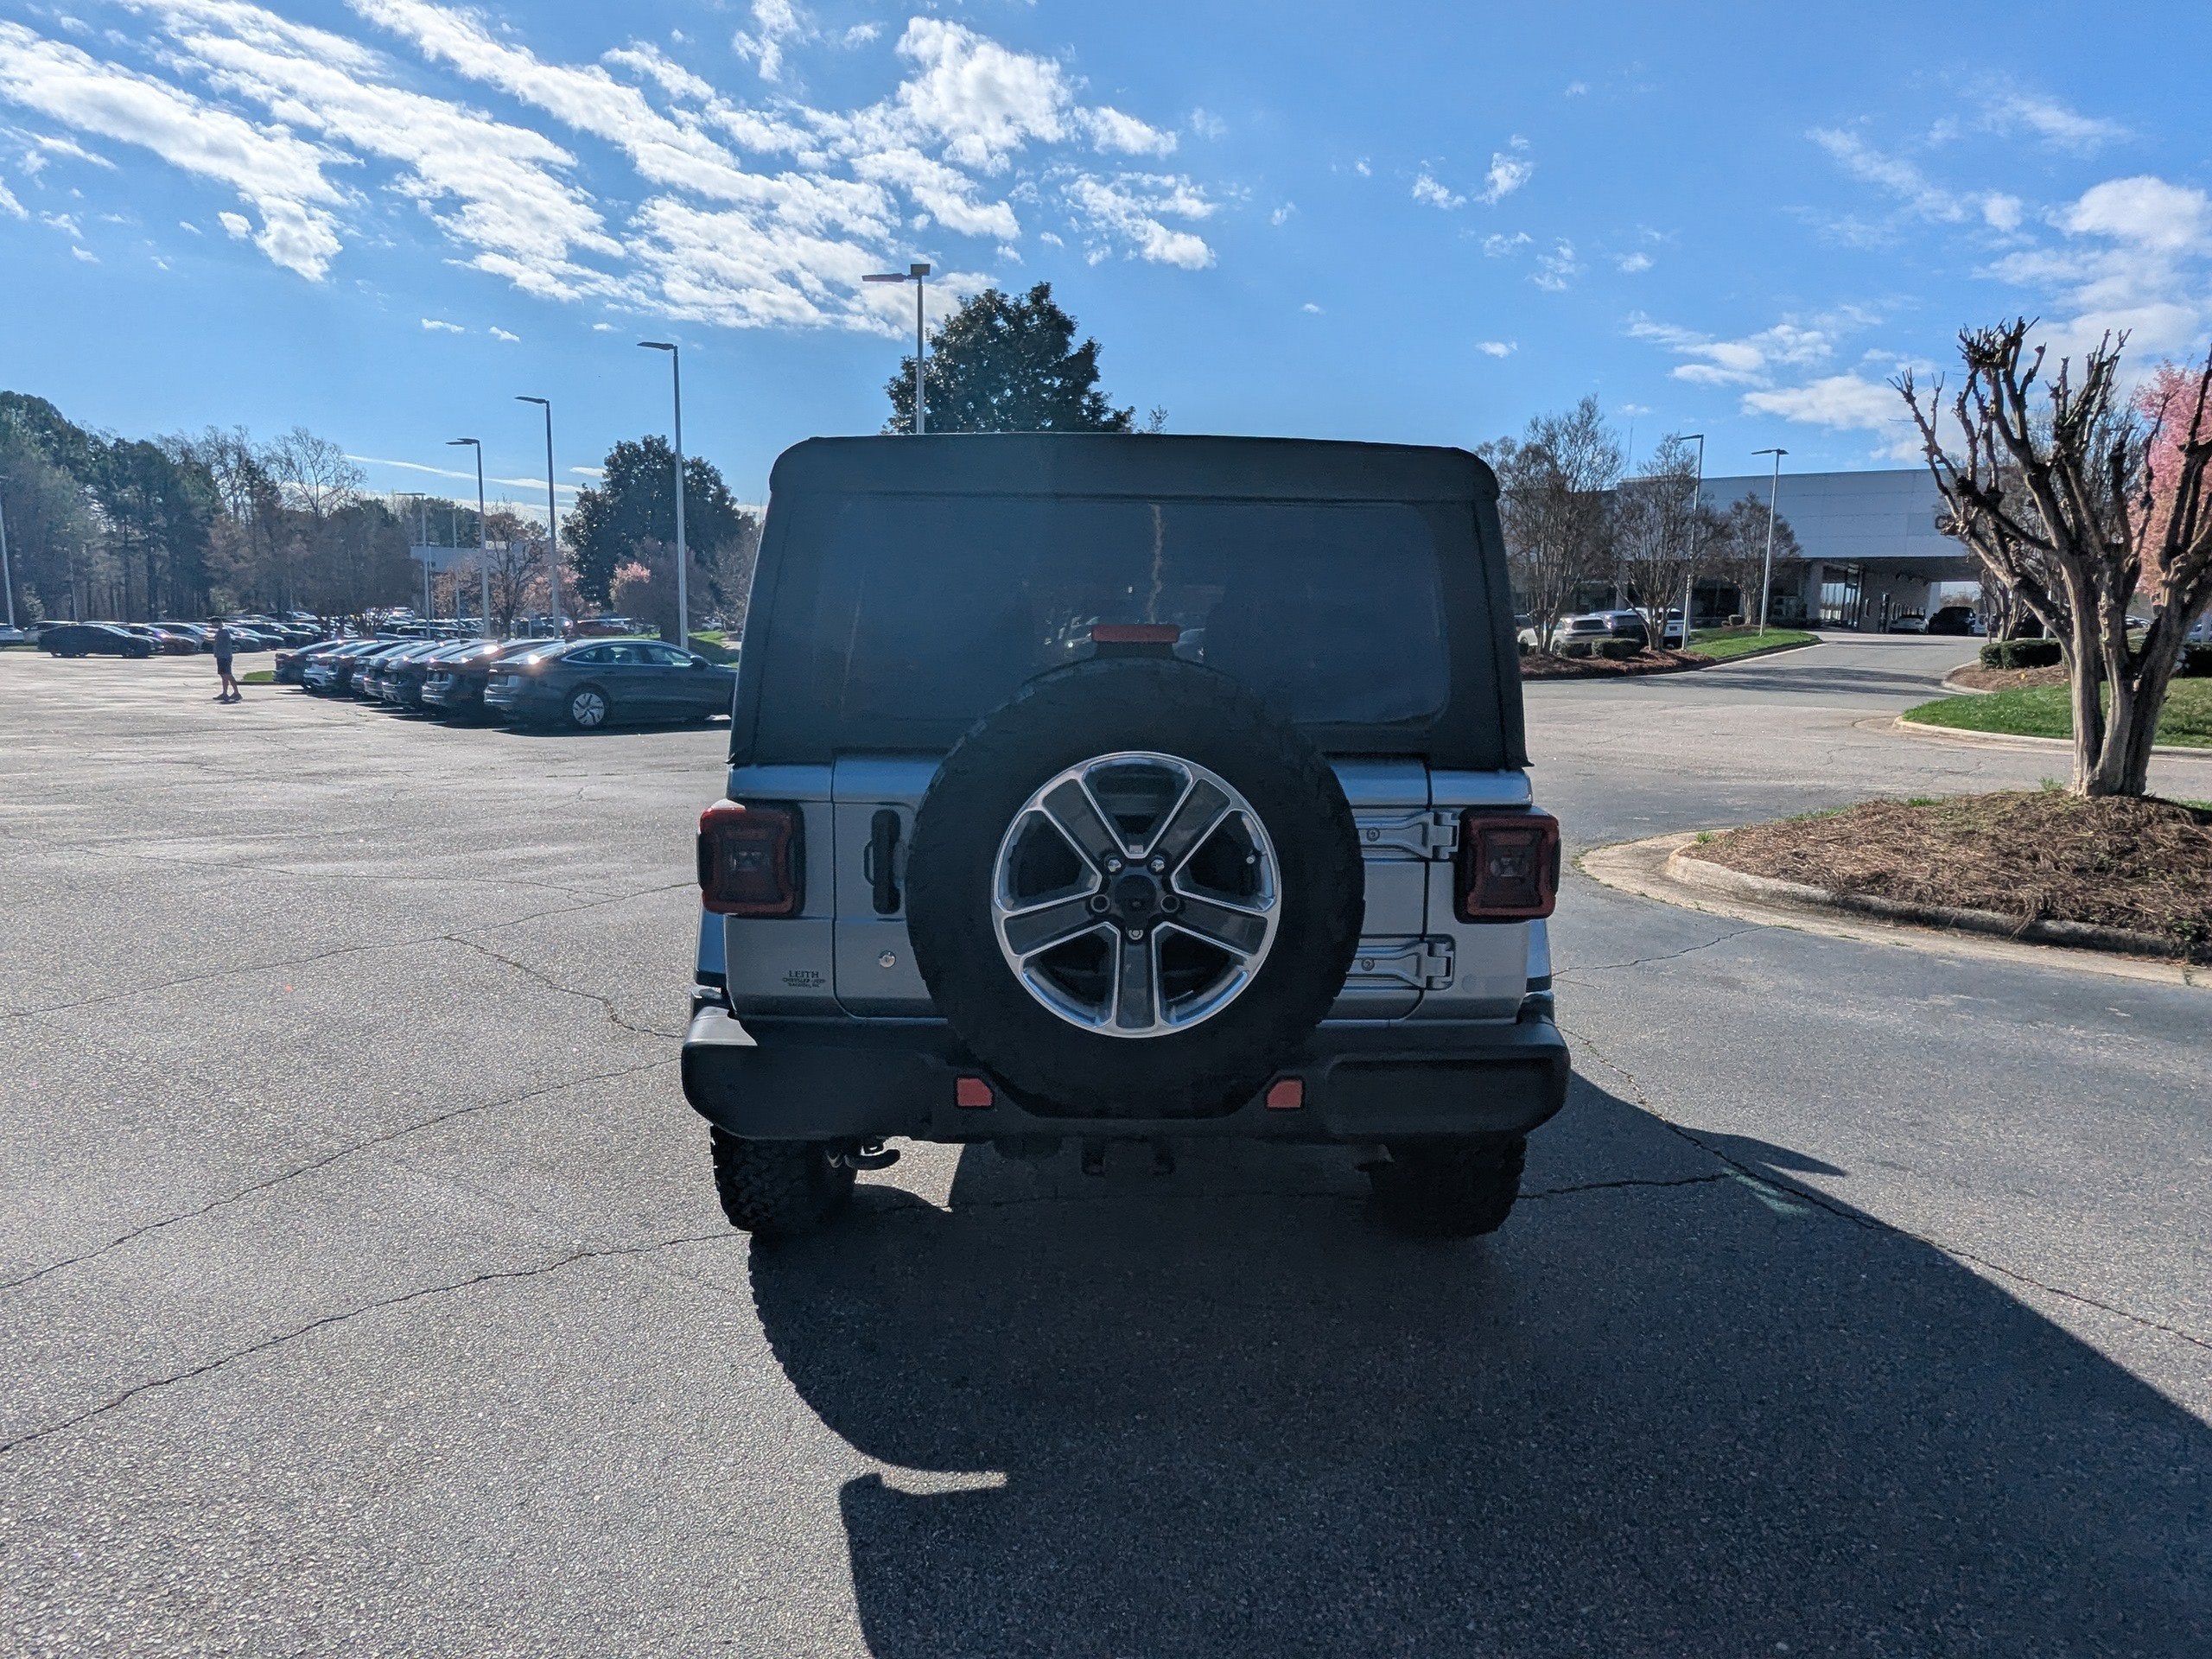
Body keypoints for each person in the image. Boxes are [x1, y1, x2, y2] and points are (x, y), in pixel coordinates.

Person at [212, 623, 240, 702]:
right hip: (221, 656)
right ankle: (225, 693)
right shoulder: (221, 631)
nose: (212, 625)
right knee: (223, 675)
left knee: (227, 674)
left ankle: (236, 693)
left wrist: (205, 639)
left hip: (225, 656)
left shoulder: (224, 631)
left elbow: (216, 640)